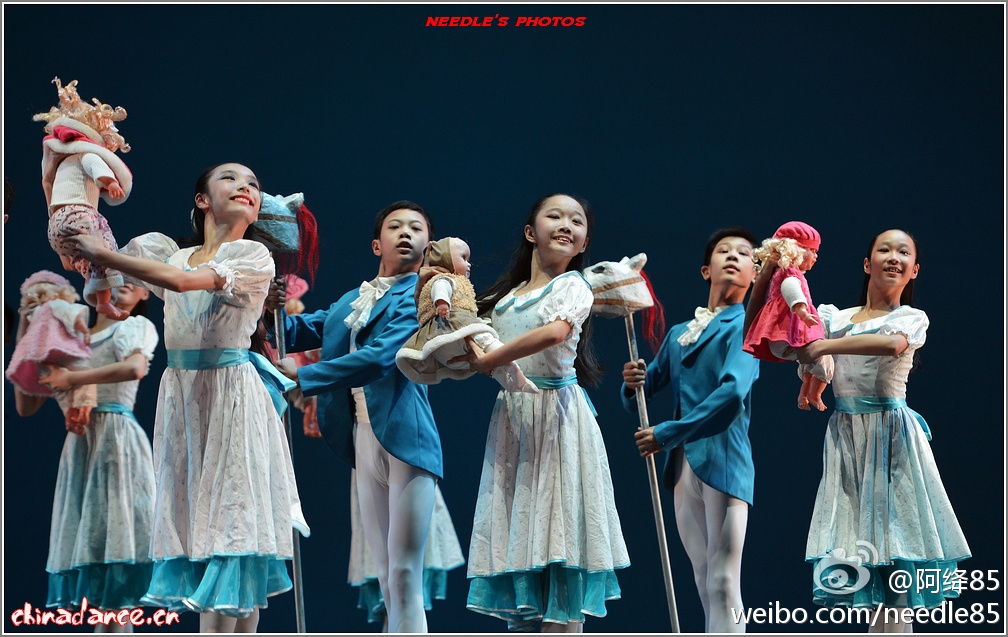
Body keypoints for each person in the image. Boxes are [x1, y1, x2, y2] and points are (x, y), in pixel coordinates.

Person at [70, 162, 309, 633]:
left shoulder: (253, 256)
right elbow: (103, 276)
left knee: (233, 528)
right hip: (184, 400)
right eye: (230, 179)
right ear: (202, 199)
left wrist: (106, 255)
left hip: (233, 398)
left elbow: (182, 283)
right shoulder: (170, 255)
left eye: (254, 184)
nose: (245, 187)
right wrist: (81, 229)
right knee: (202, 528)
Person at [457, 194, 629, 633]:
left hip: (558, 421)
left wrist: (489, 358)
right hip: (515, 423)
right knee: (524, 538)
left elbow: (555, 332)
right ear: (531, 232)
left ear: (583, 243)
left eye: (577, 221)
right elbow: (469, 342)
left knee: (560, 539)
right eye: (555, 216)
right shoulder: (503, 300)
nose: (566, 224)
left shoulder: (573, 287)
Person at [273, 201, 440, 633]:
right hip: (363, 438)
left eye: (416, 227)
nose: (406, 232)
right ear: (376, 244)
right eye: (395, 226)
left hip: (406, 437)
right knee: (384, 573)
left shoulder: (421, 296)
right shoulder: (354, 299)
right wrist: (265, 305)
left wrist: (304, 376)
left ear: (429, 246)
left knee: (404, 573)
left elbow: (380, 358)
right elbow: (293, 332)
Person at [795, 229, 969, 632]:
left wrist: (825, 347)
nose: (893, 257)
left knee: (894, 549)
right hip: (848, 439)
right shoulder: (836, 318)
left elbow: (891, 345)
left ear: (914, 270)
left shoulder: (909, 319)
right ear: (866, 263)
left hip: (891, 438)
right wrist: (812, 379)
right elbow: (810, 355)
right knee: (860, 547)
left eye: (903, 252)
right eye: (884, 249)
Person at [620, 227, 760, 633]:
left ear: (755, 274)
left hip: (724, 457)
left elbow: (732, 394)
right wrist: (632, 382)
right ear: (705, 270)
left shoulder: (748, 328)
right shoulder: (680, 332)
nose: (732, 256)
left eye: (744, 254)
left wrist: (667, 434)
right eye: (723, 251)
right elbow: (641, 393)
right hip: (684, 466)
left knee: (723, 580)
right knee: (702, 579)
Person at [14, 282, 157, 633]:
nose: (123, 281)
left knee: (118, 564)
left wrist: (72, 377)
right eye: (113, 274)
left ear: (145, 293)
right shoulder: (68, 341)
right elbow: (25, 405)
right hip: (81, 450)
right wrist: (27, 331)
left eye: (134, 277)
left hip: (118, 445)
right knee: (98, 569)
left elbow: (135, 368)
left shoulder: (134, 327)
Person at [33, 77, 133, 321]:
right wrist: (110, 182)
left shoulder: (58, 168)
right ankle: (103, 300)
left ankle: (93, 284)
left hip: (55, 225)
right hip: (80, 215)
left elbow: (48, 187)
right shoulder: (85, 155)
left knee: (84, 257)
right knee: (106, 246)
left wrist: (61, 250)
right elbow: (94, 164)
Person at [396, 236, 538, 393]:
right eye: (463, 258)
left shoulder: (453, 285)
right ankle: (514, 369)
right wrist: (442, 302)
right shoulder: (445, 279)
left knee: (489, 359)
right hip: (451, 329)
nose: (469, 264)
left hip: (447, 351)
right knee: (488, 341)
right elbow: (441, 288)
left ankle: (511, 384)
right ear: (446, 259)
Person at [743, 221, 834, 411]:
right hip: (786, 334)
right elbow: (791, 288)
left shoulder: (778, 273)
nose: (816, 256)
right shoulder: (790, 273)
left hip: (780, 339)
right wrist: (801, 310)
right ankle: (815, 394)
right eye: (812, 250)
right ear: (796, 251)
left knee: (810, 362)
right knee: (825, 358)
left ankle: (804, 392)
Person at [7, 270, 97, 430]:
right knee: (63, 389)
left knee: (74, 384)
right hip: (48, 360)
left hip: (67, 356)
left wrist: (83, 331)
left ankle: (79, 410)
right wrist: (23, 339)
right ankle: (72, 413)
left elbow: (26, 408)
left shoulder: (59, 310)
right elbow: (25, 409)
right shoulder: (40, 346)